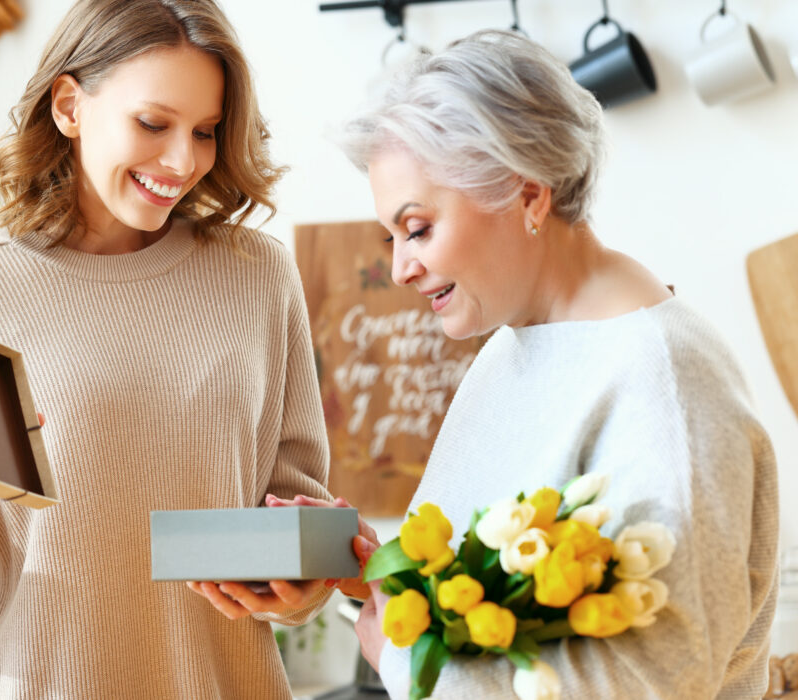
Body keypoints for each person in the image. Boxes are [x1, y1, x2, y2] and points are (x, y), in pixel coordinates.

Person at [0, 1, 334, 697]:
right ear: (68, 105)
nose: (183, 161)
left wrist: (303, 588)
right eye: (153, 123)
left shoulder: (259, 277)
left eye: (205, 131)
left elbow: (298, 521)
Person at [320, 29, 777, 698]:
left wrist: (398, 655)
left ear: (528, 195)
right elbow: (493, 609)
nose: (400, 267)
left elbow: (654, 678)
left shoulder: (664, 382)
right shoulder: (509, 351)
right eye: (390, 236)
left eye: (417, 228)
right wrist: (377, 573)